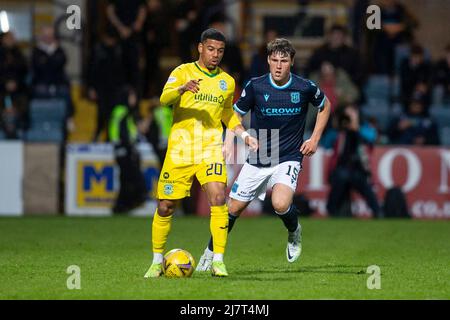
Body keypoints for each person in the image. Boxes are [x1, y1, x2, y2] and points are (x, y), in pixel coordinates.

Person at [196, 38, 331, 271]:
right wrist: (228, 141)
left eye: (284, 61)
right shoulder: (256, 86)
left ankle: (294, 231)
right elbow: (234, 115)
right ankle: (210, 252)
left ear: (292, 62)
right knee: (232, 210)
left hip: (289, 155)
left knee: (280, 203)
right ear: (268, 60)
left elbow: (325, 105)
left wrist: (315, 138)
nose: (279, 66)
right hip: (260, 158)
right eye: (275, 60)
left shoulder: (304, 87)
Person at [143, 28, 258, 278]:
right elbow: (164, 98)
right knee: (165, 206)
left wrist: (244, 134)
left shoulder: (226, 81)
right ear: (200, 48)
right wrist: (182, 89)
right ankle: (155, 261)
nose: (215, 55)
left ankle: (218, 261)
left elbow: (228, 113)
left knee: (218, 198)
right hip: (181, 151)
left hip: (209, 150)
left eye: (219, 51)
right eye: (210, 49)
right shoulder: (182, 71)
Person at [326, 105, 382, 218]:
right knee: (343, 176)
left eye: (352, 114)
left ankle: (378, 212)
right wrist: (337, 126)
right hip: (340, 168)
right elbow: (325, 143)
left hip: (359, 169)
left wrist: (356, 127)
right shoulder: (339, 131)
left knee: (362, 184)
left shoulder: (364, 128)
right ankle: (332, 209)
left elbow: (372, 138)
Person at [109, 86, 147, 214]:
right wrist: (130, 147)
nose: (134, 99)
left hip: (120, 150)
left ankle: (120, 207)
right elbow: (123, 132)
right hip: (125, 150)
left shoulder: (119, 111)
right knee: (136, 179)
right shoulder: (124, 111)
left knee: (125, 179)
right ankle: (135, 200)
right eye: (132, 96)